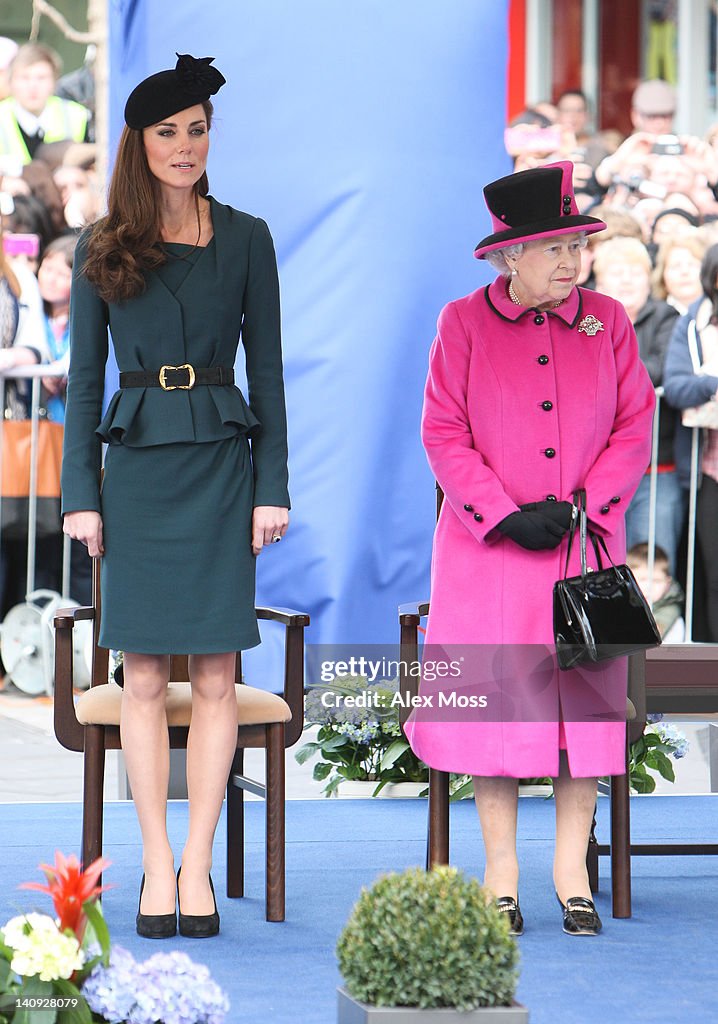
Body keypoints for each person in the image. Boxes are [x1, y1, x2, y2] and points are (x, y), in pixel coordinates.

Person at [61, 54, 290, 939]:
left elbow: (267, 372)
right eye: (169, 132)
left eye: (198, 130)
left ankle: (198, 866)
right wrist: (83, 496)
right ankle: (156, 863)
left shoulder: (248, 236)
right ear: (138, 142)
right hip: (139, 475)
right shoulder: (99, 241)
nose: (187, 146)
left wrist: (273, 486)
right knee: (147, 679)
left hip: (223, 471)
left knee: (221, 677)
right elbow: (84, 385)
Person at [406, 162, 655, 937]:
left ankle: (570, 869)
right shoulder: (462, 323)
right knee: (496, 712)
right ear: (508, 257)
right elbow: (442, 431)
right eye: (553, 249)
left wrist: (590, 504)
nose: (570, 262)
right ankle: (502, 872)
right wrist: (504, 514)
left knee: (583, 709)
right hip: (491, 555)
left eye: (576, 247)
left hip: (583, 548)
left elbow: (634, 423)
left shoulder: (609, 320)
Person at [593, 236, 682, 570]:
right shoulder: (588, 321)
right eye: (617, 272)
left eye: (636, 271)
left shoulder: (665, 316)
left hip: (656, 470)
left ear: (650, 278)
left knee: (652, 563)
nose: (627, 280)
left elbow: (661, 370)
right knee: (600, 567)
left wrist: (606, 379)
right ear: (599, 282)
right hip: (598, 473)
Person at [663, 243, 718, 642]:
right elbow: (677, 387)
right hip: (708, 470)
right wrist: (712, 384)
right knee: (714, 575)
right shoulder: (693, 322)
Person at [0, 43, 89, 167]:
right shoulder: (2, 115)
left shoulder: (78, 115)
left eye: (41, 78)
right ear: (10, 82)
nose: (33, 86)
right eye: (24, 78)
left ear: (55, 81)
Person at [626, 543, 685, 642]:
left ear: (667, 583)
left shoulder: (673, 615)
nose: (649, 587)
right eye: (642, 579)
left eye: (656, 581)